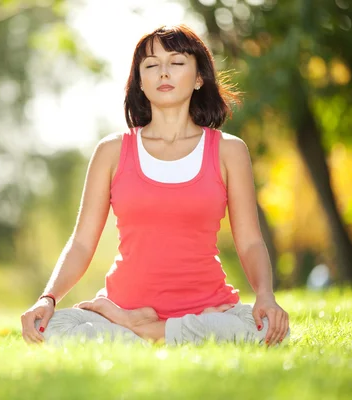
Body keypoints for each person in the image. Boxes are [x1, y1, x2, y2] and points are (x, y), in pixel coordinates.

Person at [21, 24, 290, 347]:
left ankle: (143, 331)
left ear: (199, 78)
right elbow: (81, 243)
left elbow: (249, 241)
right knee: (50, 328)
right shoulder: (112, 151)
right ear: (141, 81)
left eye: (176, 63)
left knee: (270, 330)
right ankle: (149, 328)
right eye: (151, 65)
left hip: (207, 309)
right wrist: (47, 299)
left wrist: (265, 296)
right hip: (122, 306)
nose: (164, 72)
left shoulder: (229, 151)